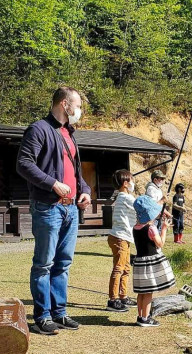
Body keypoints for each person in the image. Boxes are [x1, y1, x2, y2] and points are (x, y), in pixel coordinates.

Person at [16, 87, 91, 335]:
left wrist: (86, 190)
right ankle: (42, 316)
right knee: (44, 264)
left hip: (71, 210)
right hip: (48, 207)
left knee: (63, 263)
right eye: (77, 105)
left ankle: (59, 313)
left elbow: (76, 172)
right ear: (64, 104)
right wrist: (53, 183)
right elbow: (24, 163)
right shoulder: (39, 129)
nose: (79, 110)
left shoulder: (69, 133)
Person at [132, 195, 176, 327]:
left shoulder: (135, 227)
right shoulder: (151, 229)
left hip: (139, 263)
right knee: (148, 293)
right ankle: (145, 319)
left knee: (141, 292)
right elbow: (160, 244)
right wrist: (164, 228)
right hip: (150, 264)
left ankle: (140, 316)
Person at [106, 169, 137, 313]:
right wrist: (161, 201)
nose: (133, 183)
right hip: (120, 238)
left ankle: (123, 296)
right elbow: (141, 205)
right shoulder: (125, 197)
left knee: (126, 268)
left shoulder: (123, 197)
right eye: (132, 180)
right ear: (125, 183)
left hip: (124, 237)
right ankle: (113, 300)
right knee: (119, 268)